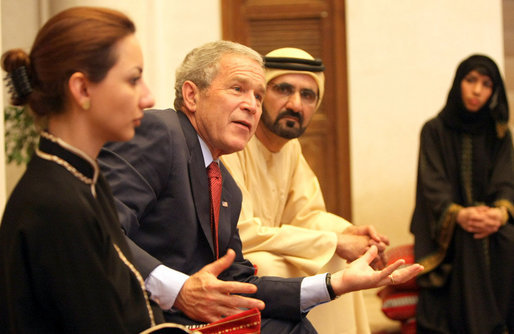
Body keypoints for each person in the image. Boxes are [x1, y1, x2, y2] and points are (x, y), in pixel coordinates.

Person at [99, 40, 424, 333]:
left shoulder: (225, 185)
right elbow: (99, 227)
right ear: (191, 95)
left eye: (257, 94)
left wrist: (336, 283)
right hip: (140, 314)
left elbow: (239, 278)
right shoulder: (161, 131)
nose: (252, 105)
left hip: (195, 315)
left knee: (294, 325)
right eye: (238, 89)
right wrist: (178, 289)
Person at [0, 6, 166, 333]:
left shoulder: (81, 177)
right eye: (133, 79)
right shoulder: (55, 203)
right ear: (82, 89)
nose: (148, 97)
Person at [220, 47, 389, 334]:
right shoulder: (233, 141)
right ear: (260, 96)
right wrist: (333, 241)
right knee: (264, 265)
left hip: (268, 247)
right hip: (226, 262)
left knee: (341, 259)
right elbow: (242, 234)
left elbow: (307, 215)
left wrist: (349, 234)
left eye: (307, 95)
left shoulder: (291, 149)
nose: (296, 105)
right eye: (284, 90)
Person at [410, 54, 514, 333]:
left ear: (494, 91)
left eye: (486, 84)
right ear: (459, 83)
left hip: (492, 224)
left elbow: (506, 180)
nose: (477, 90)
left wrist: (500, 213)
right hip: (445, 228)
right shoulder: (433, 130)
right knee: (470, 237)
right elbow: (432, 186)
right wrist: (459, 214)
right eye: (471, 80)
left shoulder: (500, 133)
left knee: (505, 238)